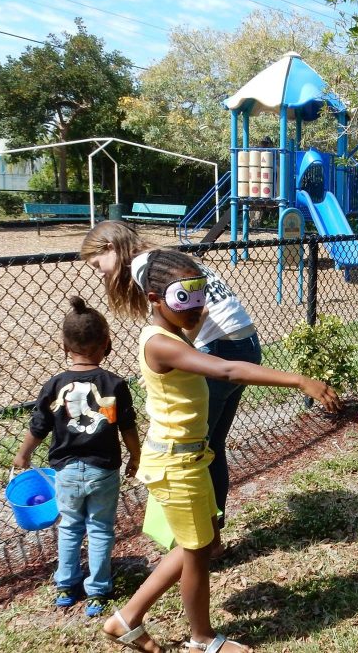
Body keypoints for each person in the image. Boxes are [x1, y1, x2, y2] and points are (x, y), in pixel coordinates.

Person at [102, 249, 341, 652]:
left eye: (200, 294)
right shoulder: (162, 344)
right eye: (185, 298)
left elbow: (208, 333)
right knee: (197, 551)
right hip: (176, 462)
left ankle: (126, 619)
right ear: (155, 300)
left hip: (188, 456)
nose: (196, 308)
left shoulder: (176, 331)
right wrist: (299, 379)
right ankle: (201, 639)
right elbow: (228, 369)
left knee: (200, 541)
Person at [82, 221, 259, 556]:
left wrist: (184, 353)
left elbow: (200, 311)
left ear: (110, 248)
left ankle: (198, 543)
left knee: (192, 449)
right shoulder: (164, 258)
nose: (100, 274)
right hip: (246, 342)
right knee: (211, 445)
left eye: (98, 265)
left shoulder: (142, 266)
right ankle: (210, 537)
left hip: (219, 348)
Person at [13, 296, 141, 617]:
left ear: (64, 345)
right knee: (100, 528)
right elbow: (127, 427)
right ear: (107, 344)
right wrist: (135, 457)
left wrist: (23, 456)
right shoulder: (114, 384)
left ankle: (66, 585)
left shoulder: (54, 385)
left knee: (70, 526)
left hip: (66, 472)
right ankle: (98, 591)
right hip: (103, 471)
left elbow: (39, 426)